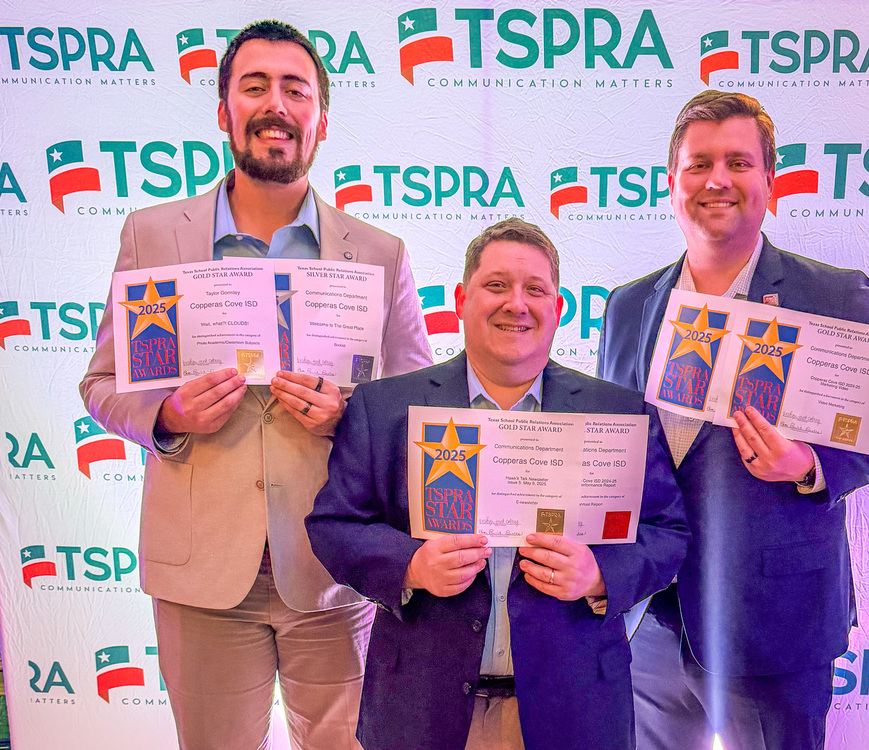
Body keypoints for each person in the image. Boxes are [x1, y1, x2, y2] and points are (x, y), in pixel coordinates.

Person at [79, 20, 431, 750]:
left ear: (320, 121)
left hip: (334, 572)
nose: (276, 104)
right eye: (255, 86)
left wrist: (351, 418)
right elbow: (103, 382)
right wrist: (168, 414)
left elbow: (420, 410)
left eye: (295, 89)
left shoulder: (378, 254)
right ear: (223, 111)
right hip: (200, 577)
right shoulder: (153, 236)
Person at [597, 90, 869, 750]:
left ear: (770, 183)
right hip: (650, 620)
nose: (717, 180)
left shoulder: (832, 295)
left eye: (738, 162)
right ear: (672, 184)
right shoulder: (629, 304)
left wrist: (808, 465)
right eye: (698, 164)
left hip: (775, 626)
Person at [306, 218, 689, 750]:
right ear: (462, 299)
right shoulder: (385, 407)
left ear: (558, 309)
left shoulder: (616, 412)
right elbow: (335, 525)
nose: (517, 303)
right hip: (421, 710)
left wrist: (601, 574)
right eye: (496, 285)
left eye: (536, 290)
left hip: (571, 711)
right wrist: (410, 566)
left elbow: (669, 533)